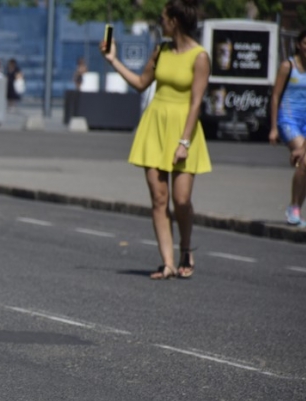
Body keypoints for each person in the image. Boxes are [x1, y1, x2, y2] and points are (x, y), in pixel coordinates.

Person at [102, 0, 210, 280]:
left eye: (163, 17)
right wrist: (113, 60)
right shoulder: (161, 50)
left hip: (184, 129)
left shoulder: (199, 57)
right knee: (159, 198)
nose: (160, 22)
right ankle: (167, 262)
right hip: (155, 126)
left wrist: (184, 142)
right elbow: (140, 83)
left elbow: (196, 102)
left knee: (181, 199)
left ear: (174, 21)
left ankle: (186, 248)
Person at [269, 29, 306, 228]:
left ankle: (296, 207)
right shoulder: (288, 66)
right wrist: (273, 128)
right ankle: (293, 208)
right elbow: (276, 96)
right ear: (298, 45)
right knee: (304, 161)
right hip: (288, 119)